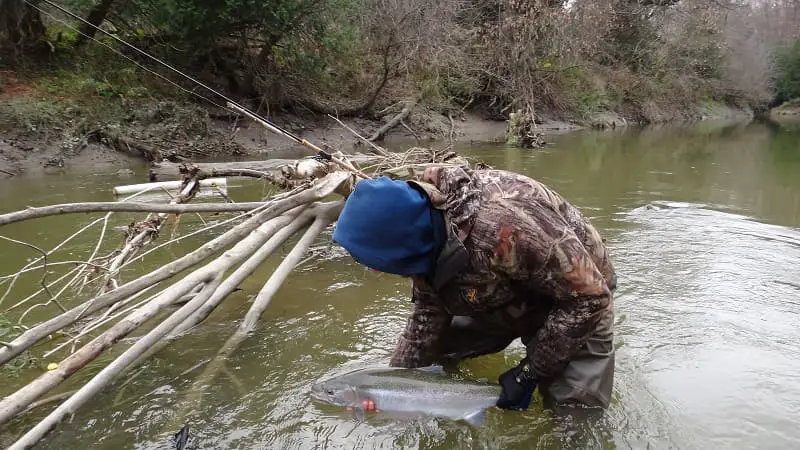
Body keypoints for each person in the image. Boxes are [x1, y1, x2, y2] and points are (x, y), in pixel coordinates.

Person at [331, 166, 617, 412]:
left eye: (374, 260)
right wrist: (393, 385)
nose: (373, 271)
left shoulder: (506, 224)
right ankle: (459, 401)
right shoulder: (421, 229)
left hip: (578, 299)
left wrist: (527, 373)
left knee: (575, 412)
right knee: (437, 352)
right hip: (498, 289)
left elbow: (590, 299)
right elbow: (428, 313)